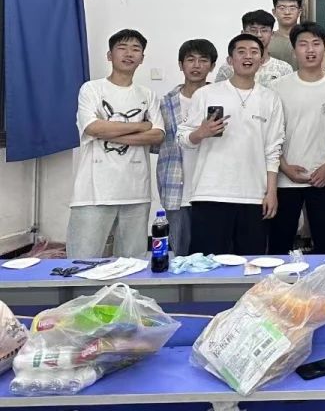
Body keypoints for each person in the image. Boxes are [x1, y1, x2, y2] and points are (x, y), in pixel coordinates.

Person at [178, 33, 285, 255]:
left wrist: (271, 192)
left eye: (254, 52)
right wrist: (201, 133)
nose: (248, 56)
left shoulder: (270, 98)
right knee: (208, 263)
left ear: (261, 60)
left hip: (254, 196)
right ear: (230, 60)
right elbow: (183, 138)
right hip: (210, 194)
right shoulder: (206, 94)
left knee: (250, 263)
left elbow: (273, 149)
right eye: (241, 52)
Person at [69, 30, 165, 259]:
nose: (129, 53)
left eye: (135, 49)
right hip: (93, 193)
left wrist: (109, 133)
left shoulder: (147, 95)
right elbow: (92, 128)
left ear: (142, 58)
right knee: (83, 260)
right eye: (122, 48)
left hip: (136, 193)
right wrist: (141, 126)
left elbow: (157, 135)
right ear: (109, 55)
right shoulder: (92, 89)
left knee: (133, 263)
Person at [267, 22, 325, 255]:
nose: (310, 50)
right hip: (285, 179)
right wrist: (284, 168)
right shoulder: (277, 87)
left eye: (316, 44)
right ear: (294, 50)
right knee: (279, 245)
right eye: (303, 44)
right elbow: (270, 135)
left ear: (324, 48)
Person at [152, 38, 217, 257]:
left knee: (213, 252)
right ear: (181, 65)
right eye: (190, 60)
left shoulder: (221, 99)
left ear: (212, 66)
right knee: (179, 253)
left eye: (203, 60)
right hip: (176, 187)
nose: (196, 65)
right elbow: (156, 143)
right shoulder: (164, 103)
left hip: (211, 188)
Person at [216, 10, 293, 84]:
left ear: (272, 34)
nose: (259, 35)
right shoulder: (228, 68)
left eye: (264, 30)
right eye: (253, 30)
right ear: (243, 33)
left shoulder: (283, 69)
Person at [269, 0, 303, 70]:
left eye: (292, 8)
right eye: (282, 8)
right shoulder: (267, 40)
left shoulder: (308, 40)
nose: (287, 12)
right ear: (274, 12)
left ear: (299, 12)